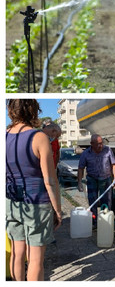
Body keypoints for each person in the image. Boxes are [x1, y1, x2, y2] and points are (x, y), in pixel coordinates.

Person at [6, 99, 62, 281]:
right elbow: (50, 180)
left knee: (17, 253)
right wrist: (58, 210)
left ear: (10, 110)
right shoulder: (39, 138)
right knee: (35, 258)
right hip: (37, 204)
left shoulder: (4, 136)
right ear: (33, 111)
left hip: (11, 202)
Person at [77, 134, 115, 225]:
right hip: (92, 179)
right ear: (91, 144)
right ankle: (95, 222)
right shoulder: (86, 153)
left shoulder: (107, 150)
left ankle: (106, 223)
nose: (101, 145)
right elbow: (81, 168)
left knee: (107, 202)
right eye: (98, 144)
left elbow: (114, 165)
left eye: (101, 143)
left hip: (106, 179)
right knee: (93, 202)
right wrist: (79, 182)